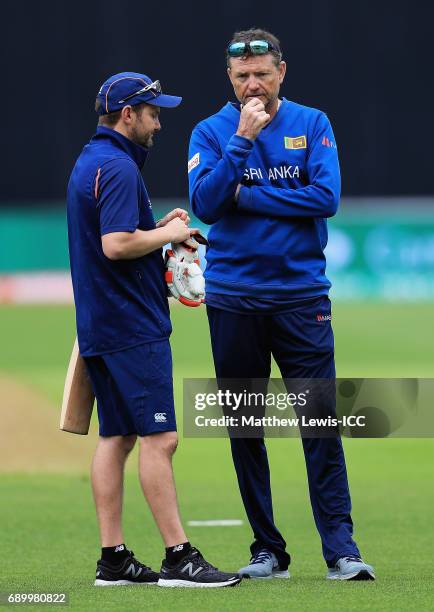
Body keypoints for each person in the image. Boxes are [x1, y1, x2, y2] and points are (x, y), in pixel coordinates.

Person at [188, 30, 375, 581]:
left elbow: (326, 197)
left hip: (301, 300)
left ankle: (341, 549)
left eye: (263, 74)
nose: (253, 84)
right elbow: (206, 204)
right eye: (243, 75)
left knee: (320, 423)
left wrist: (244, 194)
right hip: (233, 301)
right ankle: (267, 550)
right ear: (229, 77)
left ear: (282, 73)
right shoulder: (212, 131)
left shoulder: (312, 123)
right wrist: (242, 142)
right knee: (246, 428)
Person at [67, 71, 241, 588]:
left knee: (117, 437)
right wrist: (171, 233)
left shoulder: (91, 159)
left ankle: (113, 559)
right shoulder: (118, 166)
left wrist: (156, 229)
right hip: (131, 326)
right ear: (128, 114)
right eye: (153, 112)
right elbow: (116, 245)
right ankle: (178, 558)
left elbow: (119, 235)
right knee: (160, 439)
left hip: (102, 323)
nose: (159, 122)